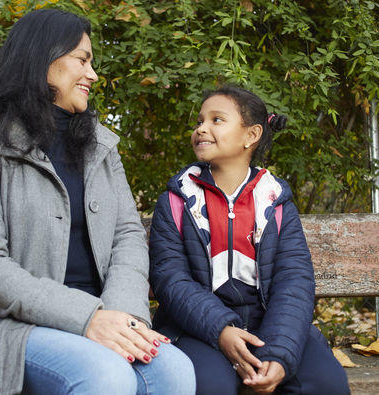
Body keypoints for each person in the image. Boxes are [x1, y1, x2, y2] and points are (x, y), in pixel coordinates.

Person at [0, 9, 195, 395]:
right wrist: (87, 317)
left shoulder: (101, 147)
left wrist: (123, 317)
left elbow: (127, 235)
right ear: (42, 57)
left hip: (105, 315)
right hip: (13, 329)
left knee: (174, 372)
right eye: (83, 59)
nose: (92, 74)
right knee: (106, 376)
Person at [149, 85, 349, 394]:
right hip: (199, 328)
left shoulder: (275, 202)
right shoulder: (177, 200)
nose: (201, 128)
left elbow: (294, 280)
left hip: (269, 325)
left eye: (217, 120)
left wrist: (279, 353)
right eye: (199, 121)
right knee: (208, 385)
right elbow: (170, 278)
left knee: (326, 383)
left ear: (251, 135)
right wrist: (222, 330)